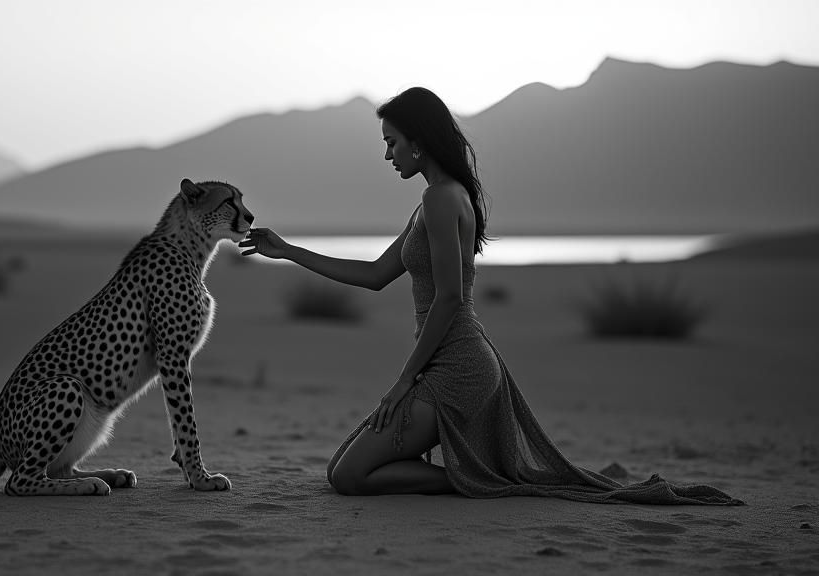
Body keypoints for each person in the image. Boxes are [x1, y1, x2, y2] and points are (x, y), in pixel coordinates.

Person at [239, 87, 742, 505]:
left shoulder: (441, 199)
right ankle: (482, 478)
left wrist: (402, 383)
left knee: (347, 477)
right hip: (450, 364)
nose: (387, 154)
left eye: (391, 142)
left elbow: (450, 299)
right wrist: (288, 251)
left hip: (458, 370)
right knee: (342, 469)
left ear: (417, 141)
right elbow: (375, 275)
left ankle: (488, 482)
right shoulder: (435, 198)